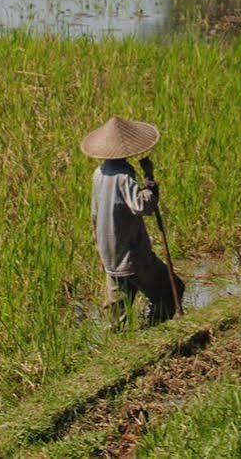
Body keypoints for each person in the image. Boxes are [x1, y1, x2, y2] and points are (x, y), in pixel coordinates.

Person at [80, 116, 181, 327]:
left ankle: (117, 348)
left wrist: (98, 245)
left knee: (116, 317)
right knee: (172, 290)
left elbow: (94, 214)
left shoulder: (98, 174)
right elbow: (142, 206)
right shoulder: (124, 176)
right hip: (132, 253)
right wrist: (150, 183)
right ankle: (156, 329)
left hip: (110, 253)